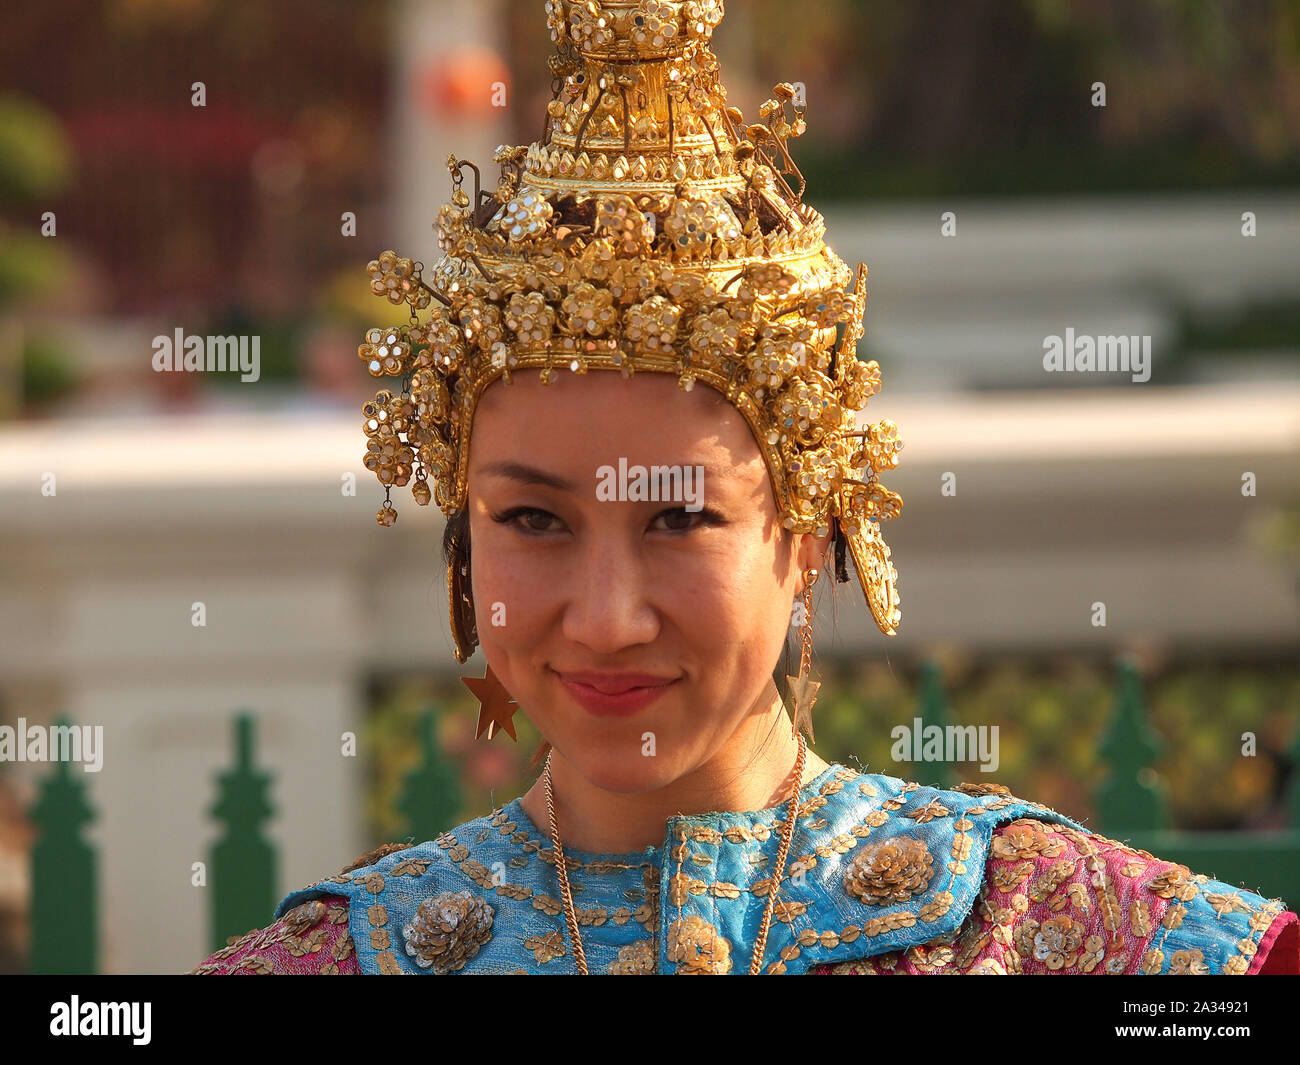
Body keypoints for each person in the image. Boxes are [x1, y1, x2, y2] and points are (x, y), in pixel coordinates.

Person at [190, 0, 1298, 975]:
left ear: (809, 525)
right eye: (532, 519)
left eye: (680, 518)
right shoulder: (337, 963)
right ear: (464, 535)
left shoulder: (1062, 936)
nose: (608, 619)